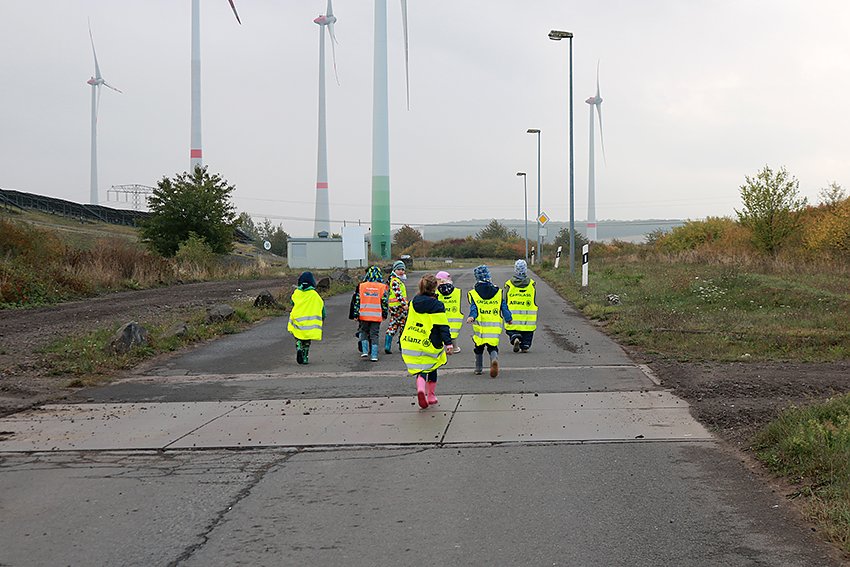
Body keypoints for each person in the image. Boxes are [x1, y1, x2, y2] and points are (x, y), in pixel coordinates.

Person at [401, 274, 453, 408]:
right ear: (435, 287)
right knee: (432, 367)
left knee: (421, 369)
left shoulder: (413, 302)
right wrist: (448, 343)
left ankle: (420, 388)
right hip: (431, 340)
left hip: (414, 339)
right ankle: (431, 395)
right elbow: (443, 326)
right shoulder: (437, 305)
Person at [466, 265, 512, 377]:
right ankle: (494, 359)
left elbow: (474, 308)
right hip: (494, 328)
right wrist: (508, 318)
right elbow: (504, 307)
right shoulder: (498, 293)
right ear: (489, 276)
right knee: (492, 347)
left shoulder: (474, 293)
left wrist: (472, 317)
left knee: (478, 348)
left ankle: (478, 368)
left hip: (480, 328)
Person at [287, 271, 325, 364]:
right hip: (309, 322)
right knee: (307, 340)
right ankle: (305, 357)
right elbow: (321, 306)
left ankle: (299, 346)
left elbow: (292, 302)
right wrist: (323, 316)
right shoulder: (314, 295)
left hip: (298, 319)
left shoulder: (297, 293)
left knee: (298, 336)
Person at [351, 265, 389, 362]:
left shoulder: (362, 286)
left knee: (363, 331)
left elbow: (357, 301)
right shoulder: (382, 287)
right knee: (374, 334)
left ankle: (364, 351)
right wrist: (384, 314)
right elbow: (384, 302)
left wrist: (355, 314)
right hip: (376, 316)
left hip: (364, 315)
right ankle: (374, 355)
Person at [504, 259, 538, 353]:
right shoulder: (531, 284)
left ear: (515, 270)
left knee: (511, 330)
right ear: (526, 270)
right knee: (528, 333)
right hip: (528, 319)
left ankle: (515, 337)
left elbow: (505, 299)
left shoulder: (509, 284)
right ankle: (525, 346)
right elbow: (534, 299)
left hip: (513, 316)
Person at [384, 260, 409, 354]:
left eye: (402, 269)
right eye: (399, 269)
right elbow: (398, 294)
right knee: (403, 325)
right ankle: (402, 345)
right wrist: (404, 304)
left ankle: (388, 345)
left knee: (394, 324)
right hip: (399, 307)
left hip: (394, 307)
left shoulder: (395, 280)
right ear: (394, 270)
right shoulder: (395, 281)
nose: (401, 271)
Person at [436, 270, 462, 354]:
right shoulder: (457, 292)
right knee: (452, 335)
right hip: (454, 318)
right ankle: (455, 347)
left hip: (440, 317)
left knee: (439, 333)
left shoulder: (436, 292)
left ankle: (439, 348)